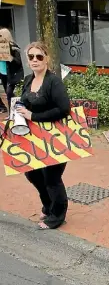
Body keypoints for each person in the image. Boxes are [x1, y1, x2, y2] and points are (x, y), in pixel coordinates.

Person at [15, 42, 71, 230]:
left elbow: (64, 109)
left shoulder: (53, 82)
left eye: (39, 56)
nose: (35, 60)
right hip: (33, 138)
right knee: (32, 174)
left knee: (52, 177)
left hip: (54, 138)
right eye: (31, 57)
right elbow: (25, 102)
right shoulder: (29, 80)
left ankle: (57, 215)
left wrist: (34, 116)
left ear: (46, 58)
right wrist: (20, 109)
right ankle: (48, 205)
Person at [0, 28, 24, 113]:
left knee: (10, 93)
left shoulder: (14, 48)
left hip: (13, 75)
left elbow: (18, 63)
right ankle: (11, 112)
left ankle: (13, 113)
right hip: (3, 73)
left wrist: (10, 58)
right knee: (8, 94)